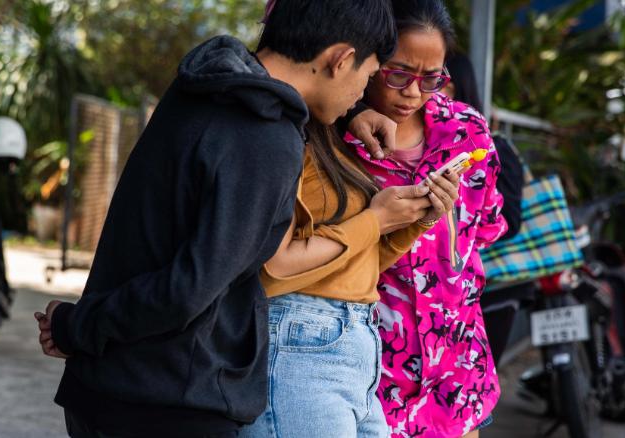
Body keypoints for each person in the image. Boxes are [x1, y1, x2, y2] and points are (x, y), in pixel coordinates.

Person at [34, 1, 403, 436]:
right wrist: (76, 327)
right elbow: (187, 290)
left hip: (105, 390)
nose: (362, 93)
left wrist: (80, 327)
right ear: (340, 59)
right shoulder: (267, 138)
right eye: (368, 75)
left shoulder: (204, 85)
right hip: (169, 405)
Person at [345, 1, 508, 436]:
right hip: (374, 373)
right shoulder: (336, 139)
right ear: (368, 59)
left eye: (432, 79)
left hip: (457, 369)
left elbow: (487, 226)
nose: (413, 92)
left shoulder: (468, 134)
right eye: (398, 73)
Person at [442, 50, 529, 367]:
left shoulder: (491, 149)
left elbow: (511, 221)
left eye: (438, 83)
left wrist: (460, 229)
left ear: (459, 89)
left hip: (494, 290)